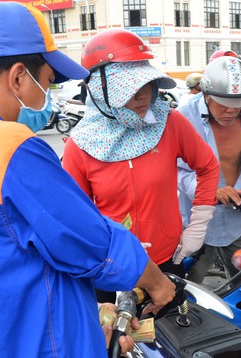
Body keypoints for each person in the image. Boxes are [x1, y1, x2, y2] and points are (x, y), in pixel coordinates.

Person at [0, 3, 175, 357]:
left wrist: (83, 312)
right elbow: (92, 243)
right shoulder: (10, 147)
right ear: (18, 76)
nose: (46, 97)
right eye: (47, 81)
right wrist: (158, 284)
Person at [62, 29, 220, 301]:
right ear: (100, 89)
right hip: (110, 269)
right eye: (130, 87)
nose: (144, 96)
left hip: (167, 261)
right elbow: (77, 217)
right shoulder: (80, 145)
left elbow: (207, 166)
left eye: (147, 83)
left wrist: (197, 227)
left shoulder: (169, 123)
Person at [177, 55, 241, 284]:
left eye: (238, 105)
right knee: (188, 283)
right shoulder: (183, 118)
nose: (232, 111)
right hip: (195, 220)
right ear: (206, 94)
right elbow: (174, 171)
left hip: (237, 218)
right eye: (225, 105)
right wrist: (209, 190)